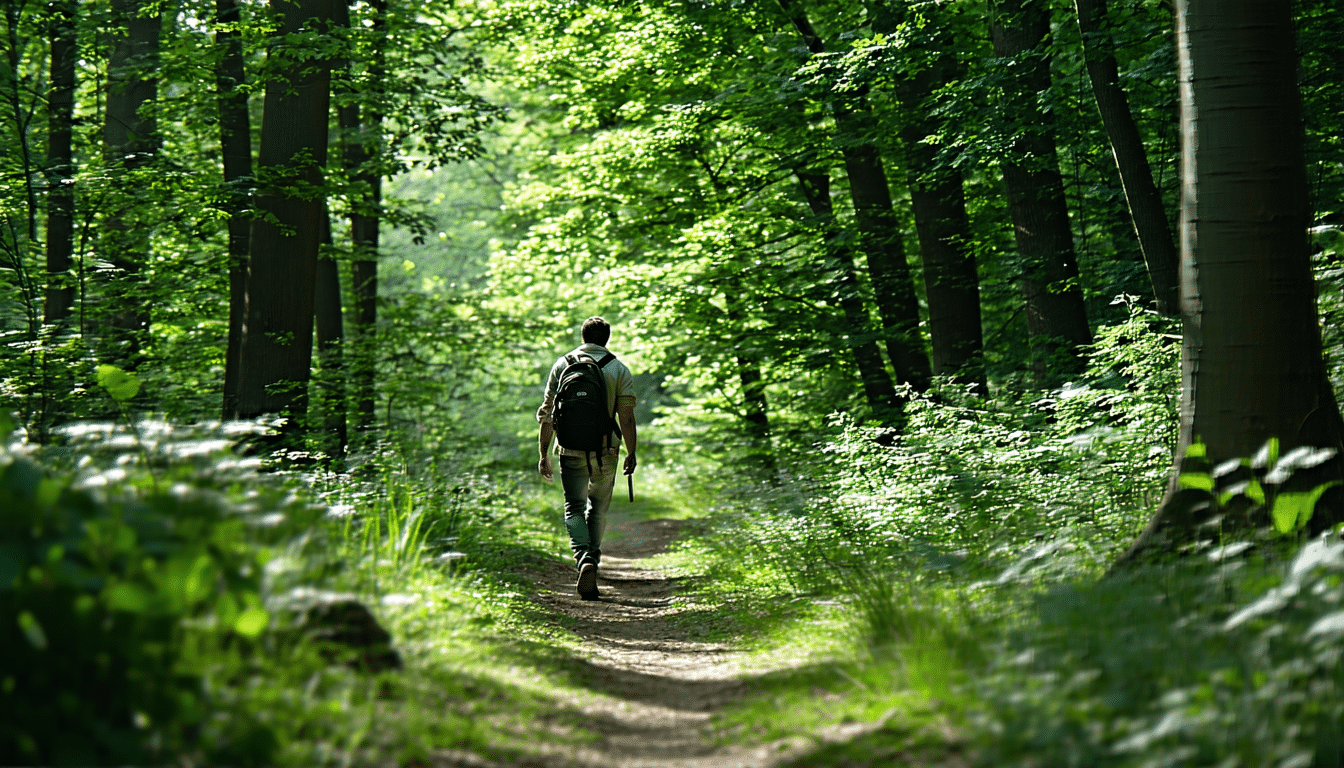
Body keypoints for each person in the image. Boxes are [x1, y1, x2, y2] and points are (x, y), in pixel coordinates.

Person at [536, 316, 638, 600]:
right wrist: (631, 451)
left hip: (568, 449)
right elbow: (626, 417)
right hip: (606, 449)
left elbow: (547, 414)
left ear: (582, 337)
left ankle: (583, 558)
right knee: (598, 507)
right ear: (606, 339)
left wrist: (543, 453)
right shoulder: (618, 368)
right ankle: (593, 557)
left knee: (574, 507)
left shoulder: (562, 364)